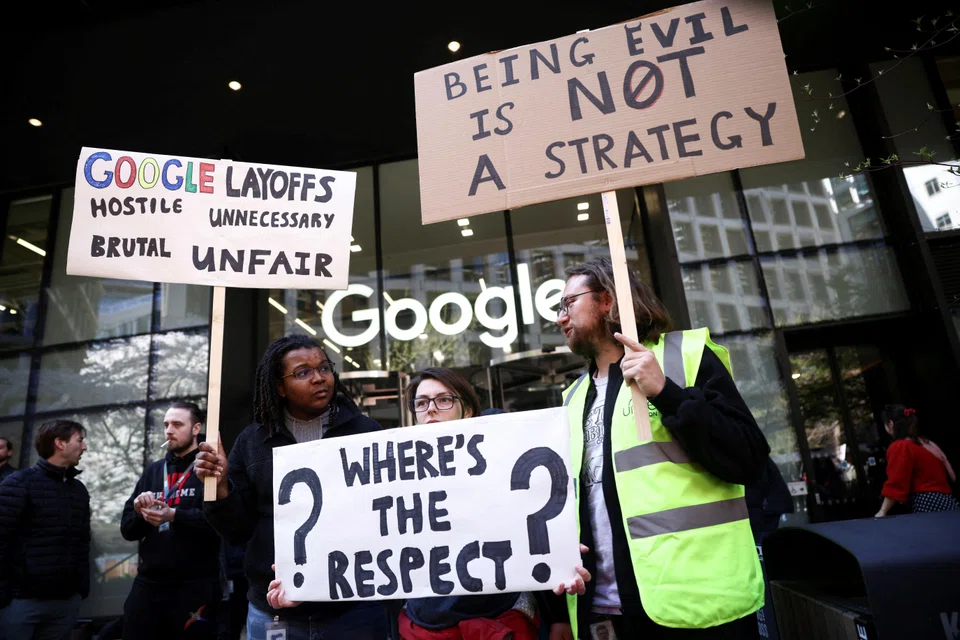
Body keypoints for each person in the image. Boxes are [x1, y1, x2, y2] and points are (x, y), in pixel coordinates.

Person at [550, 257, 769, 640]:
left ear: (606, 300)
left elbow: (748, 459)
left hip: (698, 602)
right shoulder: (571, 398)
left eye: (568, 303)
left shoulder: (684, 357)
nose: (560, 317)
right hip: (607, 609)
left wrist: (667, 393)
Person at [196, 334, 390, 640]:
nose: (319, 378)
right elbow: (237, 531)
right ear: (279, 387)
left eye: (324, 368)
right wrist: (220, 487)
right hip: (273, 610)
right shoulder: (252, 442)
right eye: (303, 372)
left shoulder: (365, 432)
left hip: (354, 610)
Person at [393, 368, 590, 640]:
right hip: (423, 625)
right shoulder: (399, 474)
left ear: (469, 410)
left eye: (444, 400)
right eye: (422, 402)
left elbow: (534, 535)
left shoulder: (501, 460)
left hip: (498, 621)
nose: (432, 410)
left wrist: (558, 617)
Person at [119, 402, 221, 639]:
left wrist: (174, 515)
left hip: (194, 585)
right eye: (166, 425)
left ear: (196, 428)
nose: (168, 430)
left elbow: (218, 524)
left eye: (177, 424)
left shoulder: (209, 468)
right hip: (149, 582)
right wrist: (139, 511)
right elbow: (127, 530)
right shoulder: (154, 471)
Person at [0, 420, 90, 640]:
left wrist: (80, 588)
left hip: (65, 602)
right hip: (21, 603)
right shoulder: (18, 483)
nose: (84, 447)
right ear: (60, 443)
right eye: (80, 440)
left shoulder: (78, 490)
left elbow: (82, 541)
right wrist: (5, 595)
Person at [875, 405, 958, 516]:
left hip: (927, 503)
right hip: (948, 502)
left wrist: (883, 510)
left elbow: (896, 482)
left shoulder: (901, 446)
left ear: (890, 424)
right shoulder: (926, 443)